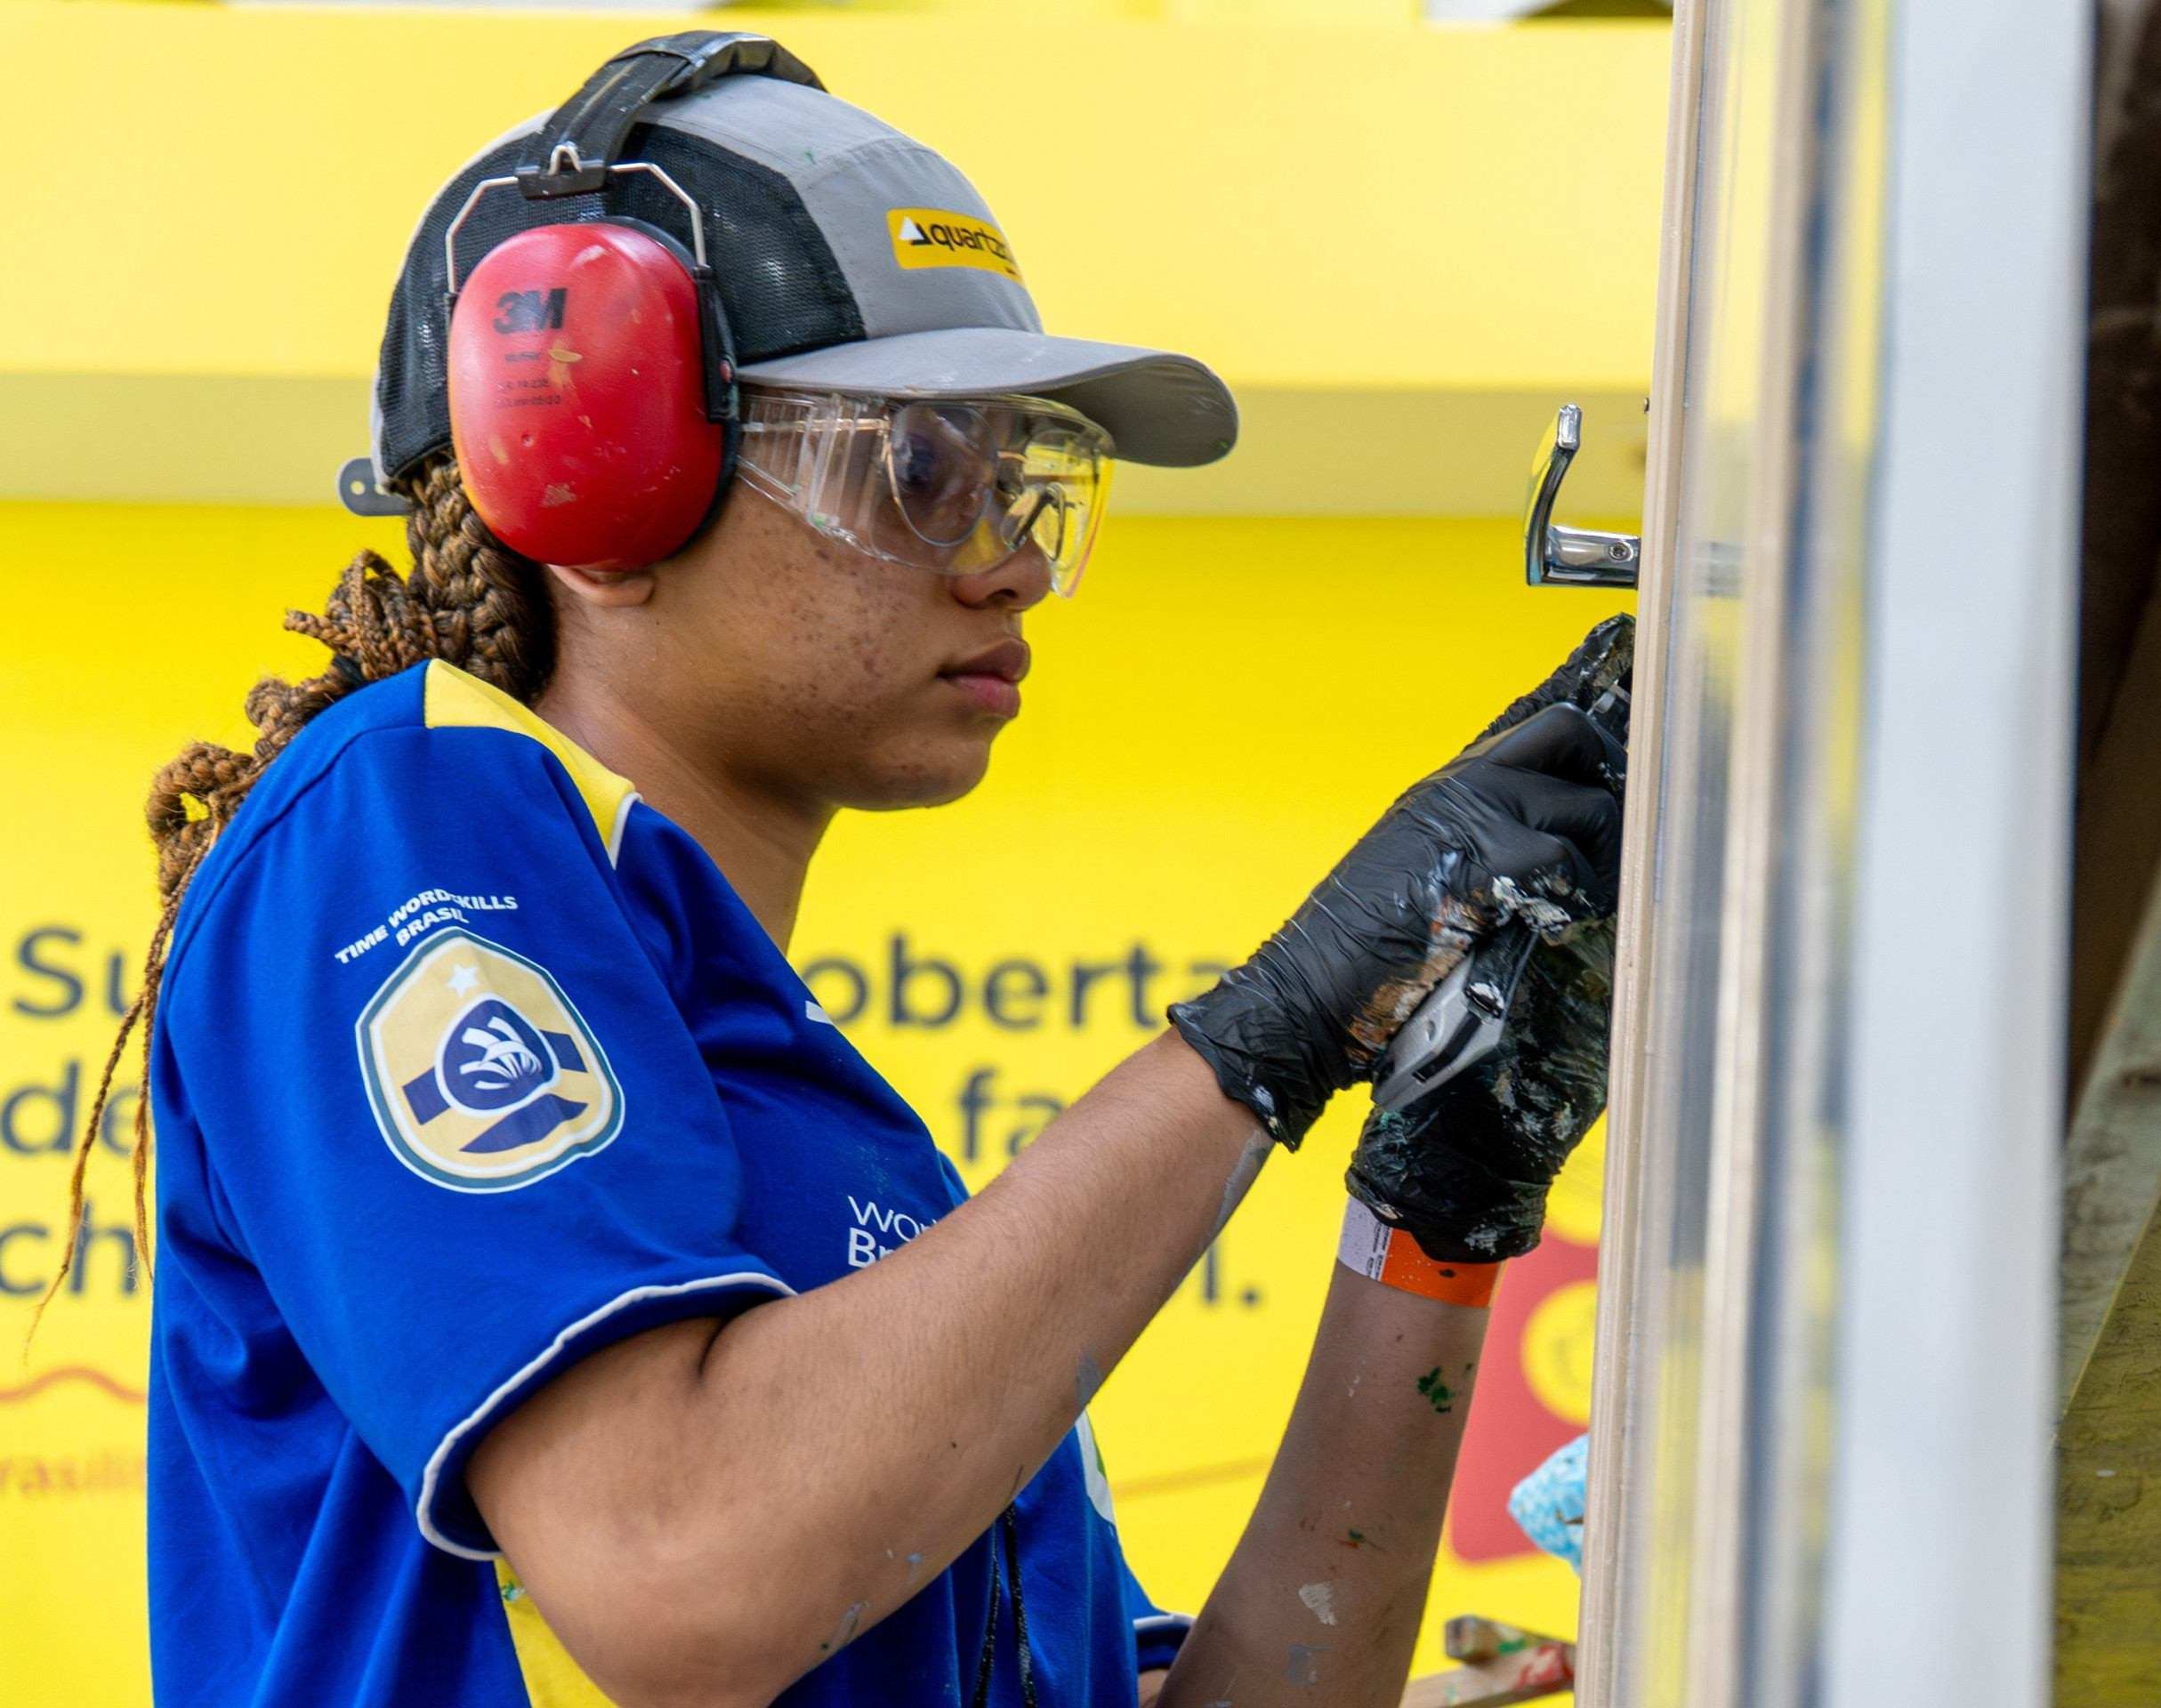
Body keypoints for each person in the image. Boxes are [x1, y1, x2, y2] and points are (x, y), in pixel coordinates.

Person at [54, 32, 1624, 1708]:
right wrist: (1279, 1026)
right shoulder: (402, 820)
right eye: (924, 471)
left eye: (1025, 483)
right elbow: (678, 1570)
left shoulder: (846, 1188)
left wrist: (1431, 1228)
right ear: (597, 474)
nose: (1014, 564)